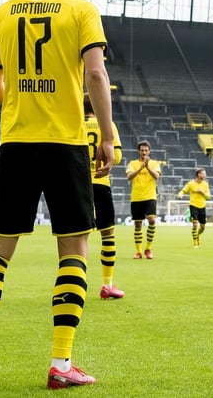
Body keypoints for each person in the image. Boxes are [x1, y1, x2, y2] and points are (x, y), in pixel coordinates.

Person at [0, 0, 114, 390]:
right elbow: (96, 74)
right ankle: (61, 364)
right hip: (65, 144)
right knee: (73, 249)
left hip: (16, 144)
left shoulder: (1, 15)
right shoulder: (82, 9)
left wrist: (27, 97)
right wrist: (105, 134)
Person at [85, 94, 125, 299]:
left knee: (76, 237)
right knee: (107, 235)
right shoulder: (107, 125)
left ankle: (74, 284)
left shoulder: (73, 124)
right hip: (100, 184)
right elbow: (116, 157)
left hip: (78, 185)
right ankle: (107, 285)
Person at [126, 140, 161, 259]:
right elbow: (129, 177)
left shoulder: (155, 163)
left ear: (149, 151)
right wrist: (141, 168)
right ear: (138, 151)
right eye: (142, 150)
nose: (144, 152)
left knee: (151, 220)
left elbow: (156, 176)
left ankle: (148, 248)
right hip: (136, 197)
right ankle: (138, 251)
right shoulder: (132, 163)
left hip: (150, 196)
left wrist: (147, 166)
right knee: (138, 224)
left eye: (146, 150)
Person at [176, 168, 211, 248]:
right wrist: (180, 194)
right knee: (195, 224)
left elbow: (208, 196)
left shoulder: (205, 184)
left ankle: (197, 235)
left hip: (202, 207)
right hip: (193, 206)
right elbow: (183, 191)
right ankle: (195, 242)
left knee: (202, 227)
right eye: (204, 174)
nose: (205, 175)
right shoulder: (191, 184)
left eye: (205, 174)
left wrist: (203, 192)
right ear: (199, 174)